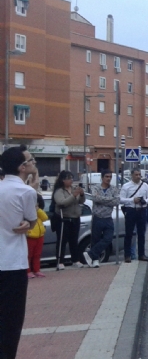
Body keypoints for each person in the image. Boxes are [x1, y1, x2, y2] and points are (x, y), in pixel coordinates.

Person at [0, 145, 38, 359]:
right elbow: (31, 220)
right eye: (30, 160)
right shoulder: (26, 192)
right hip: (13, 263)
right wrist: (28, 223)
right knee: (11, 321)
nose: (34, 163)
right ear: (21, 167)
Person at [85, 170, 120, 268]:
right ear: (102, 177)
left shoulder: (114, 189)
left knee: (108, 239)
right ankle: (95, 259)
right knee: (95, 239)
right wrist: (109, 199)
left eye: (110, 177)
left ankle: (90, 253)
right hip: (97, 217)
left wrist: (102, 200)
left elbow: (116, 201)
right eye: (106, 177)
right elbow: (95, 198)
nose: (108, 179)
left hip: (108, 217)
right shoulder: (96, 188)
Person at [53, 170, 86, 268]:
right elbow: (62, 202)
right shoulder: (59, 191)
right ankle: (60, 261)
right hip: (64, 219)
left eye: (72, 178)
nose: (71, 180)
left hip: (75, 218)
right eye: (69, 178)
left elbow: (81, 201)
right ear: (63, 180)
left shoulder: (74, 189)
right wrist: (73, 195)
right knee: (62, 241)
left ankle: (75, 260)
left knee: (74, 240)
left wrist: (82, 194)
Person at [120, 169, 148, 262]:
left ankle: (141, 254)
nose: (138, 176)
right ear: (132, 175)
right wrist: (132, 200)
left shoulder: (144, 185)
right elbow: (121, 199)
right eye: (136, 175)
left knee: (141, 233)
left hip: (142, 210)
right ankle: (127, 255)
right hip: (131, 210)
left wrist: (145, 201)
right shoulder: (126, 186)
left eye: (139, 175)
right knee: (129, 233)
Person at [27, 194, 48, 278]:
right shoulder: (27, 211)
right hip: (30, 236)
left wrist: (38, 210)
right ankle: (28, 271)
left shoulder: (38, 211)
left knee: (37, 254)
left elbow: (45, 217)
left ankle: (36, 270)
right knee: (29, 255)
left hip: (40, 235)